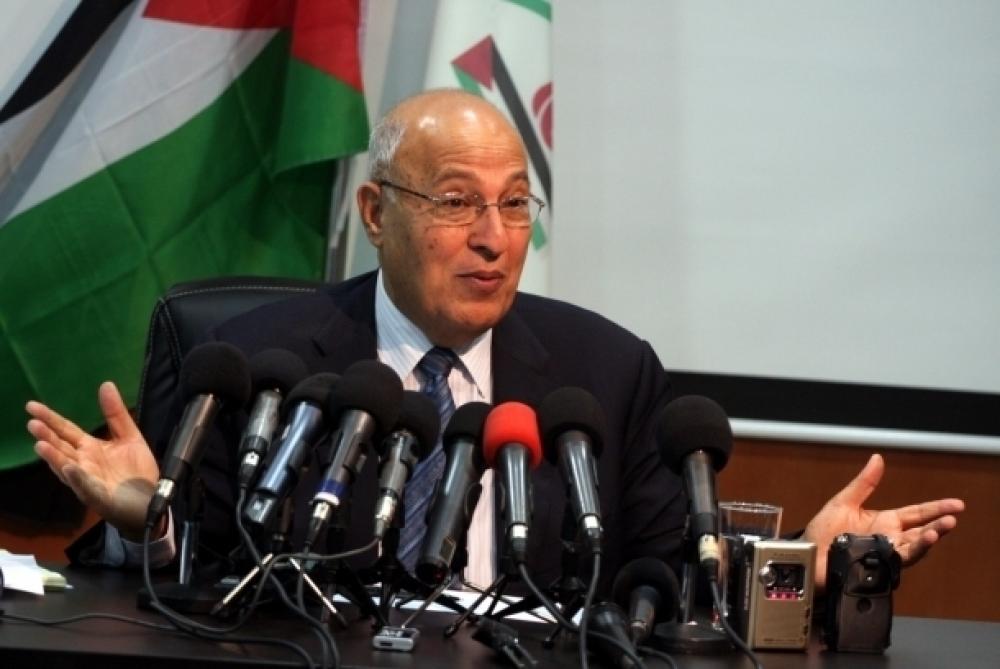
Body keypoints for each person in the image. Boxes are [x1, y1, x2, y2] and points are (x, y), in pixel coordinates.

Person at [26, 90, 963, 594]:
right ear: (375, 213)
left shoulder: (606, 371)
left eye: (516, 204)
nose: (494, 237)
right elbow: (192, 585)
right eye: (456, 201)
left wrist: (799, 565)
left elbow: (671, 578)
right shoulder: (255, 360)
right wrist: (149, 518)